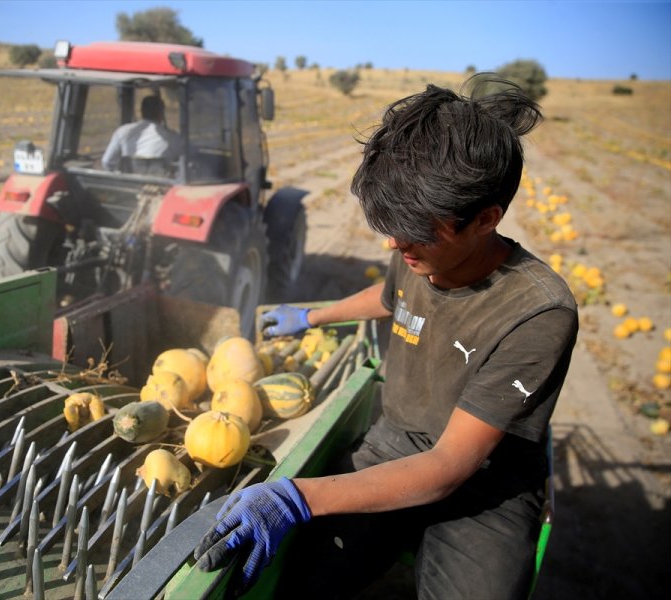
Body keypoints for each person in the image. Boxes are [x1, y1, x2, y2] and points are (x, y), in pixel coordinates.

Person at [193, 74, 579, 599]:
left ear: (486, 218)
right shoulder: (417, 256)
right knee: (301, 581)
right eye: (393, 228)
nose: (396, 242)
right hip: (396, 441)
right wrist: (312, 318)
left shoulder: (538, 312)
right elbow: (386, 298)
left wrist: (296, 498)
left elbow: (447, 468)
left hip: (487, 482)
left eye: (416, 229)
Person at [101, 94, 182, 176]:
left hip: (128, 186)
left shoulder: (122, 132)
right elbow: (188, 158)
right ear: (161, 113)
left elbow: (107, 162)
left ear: (142, 111)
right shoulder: (173, 137)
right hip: (161, 186)